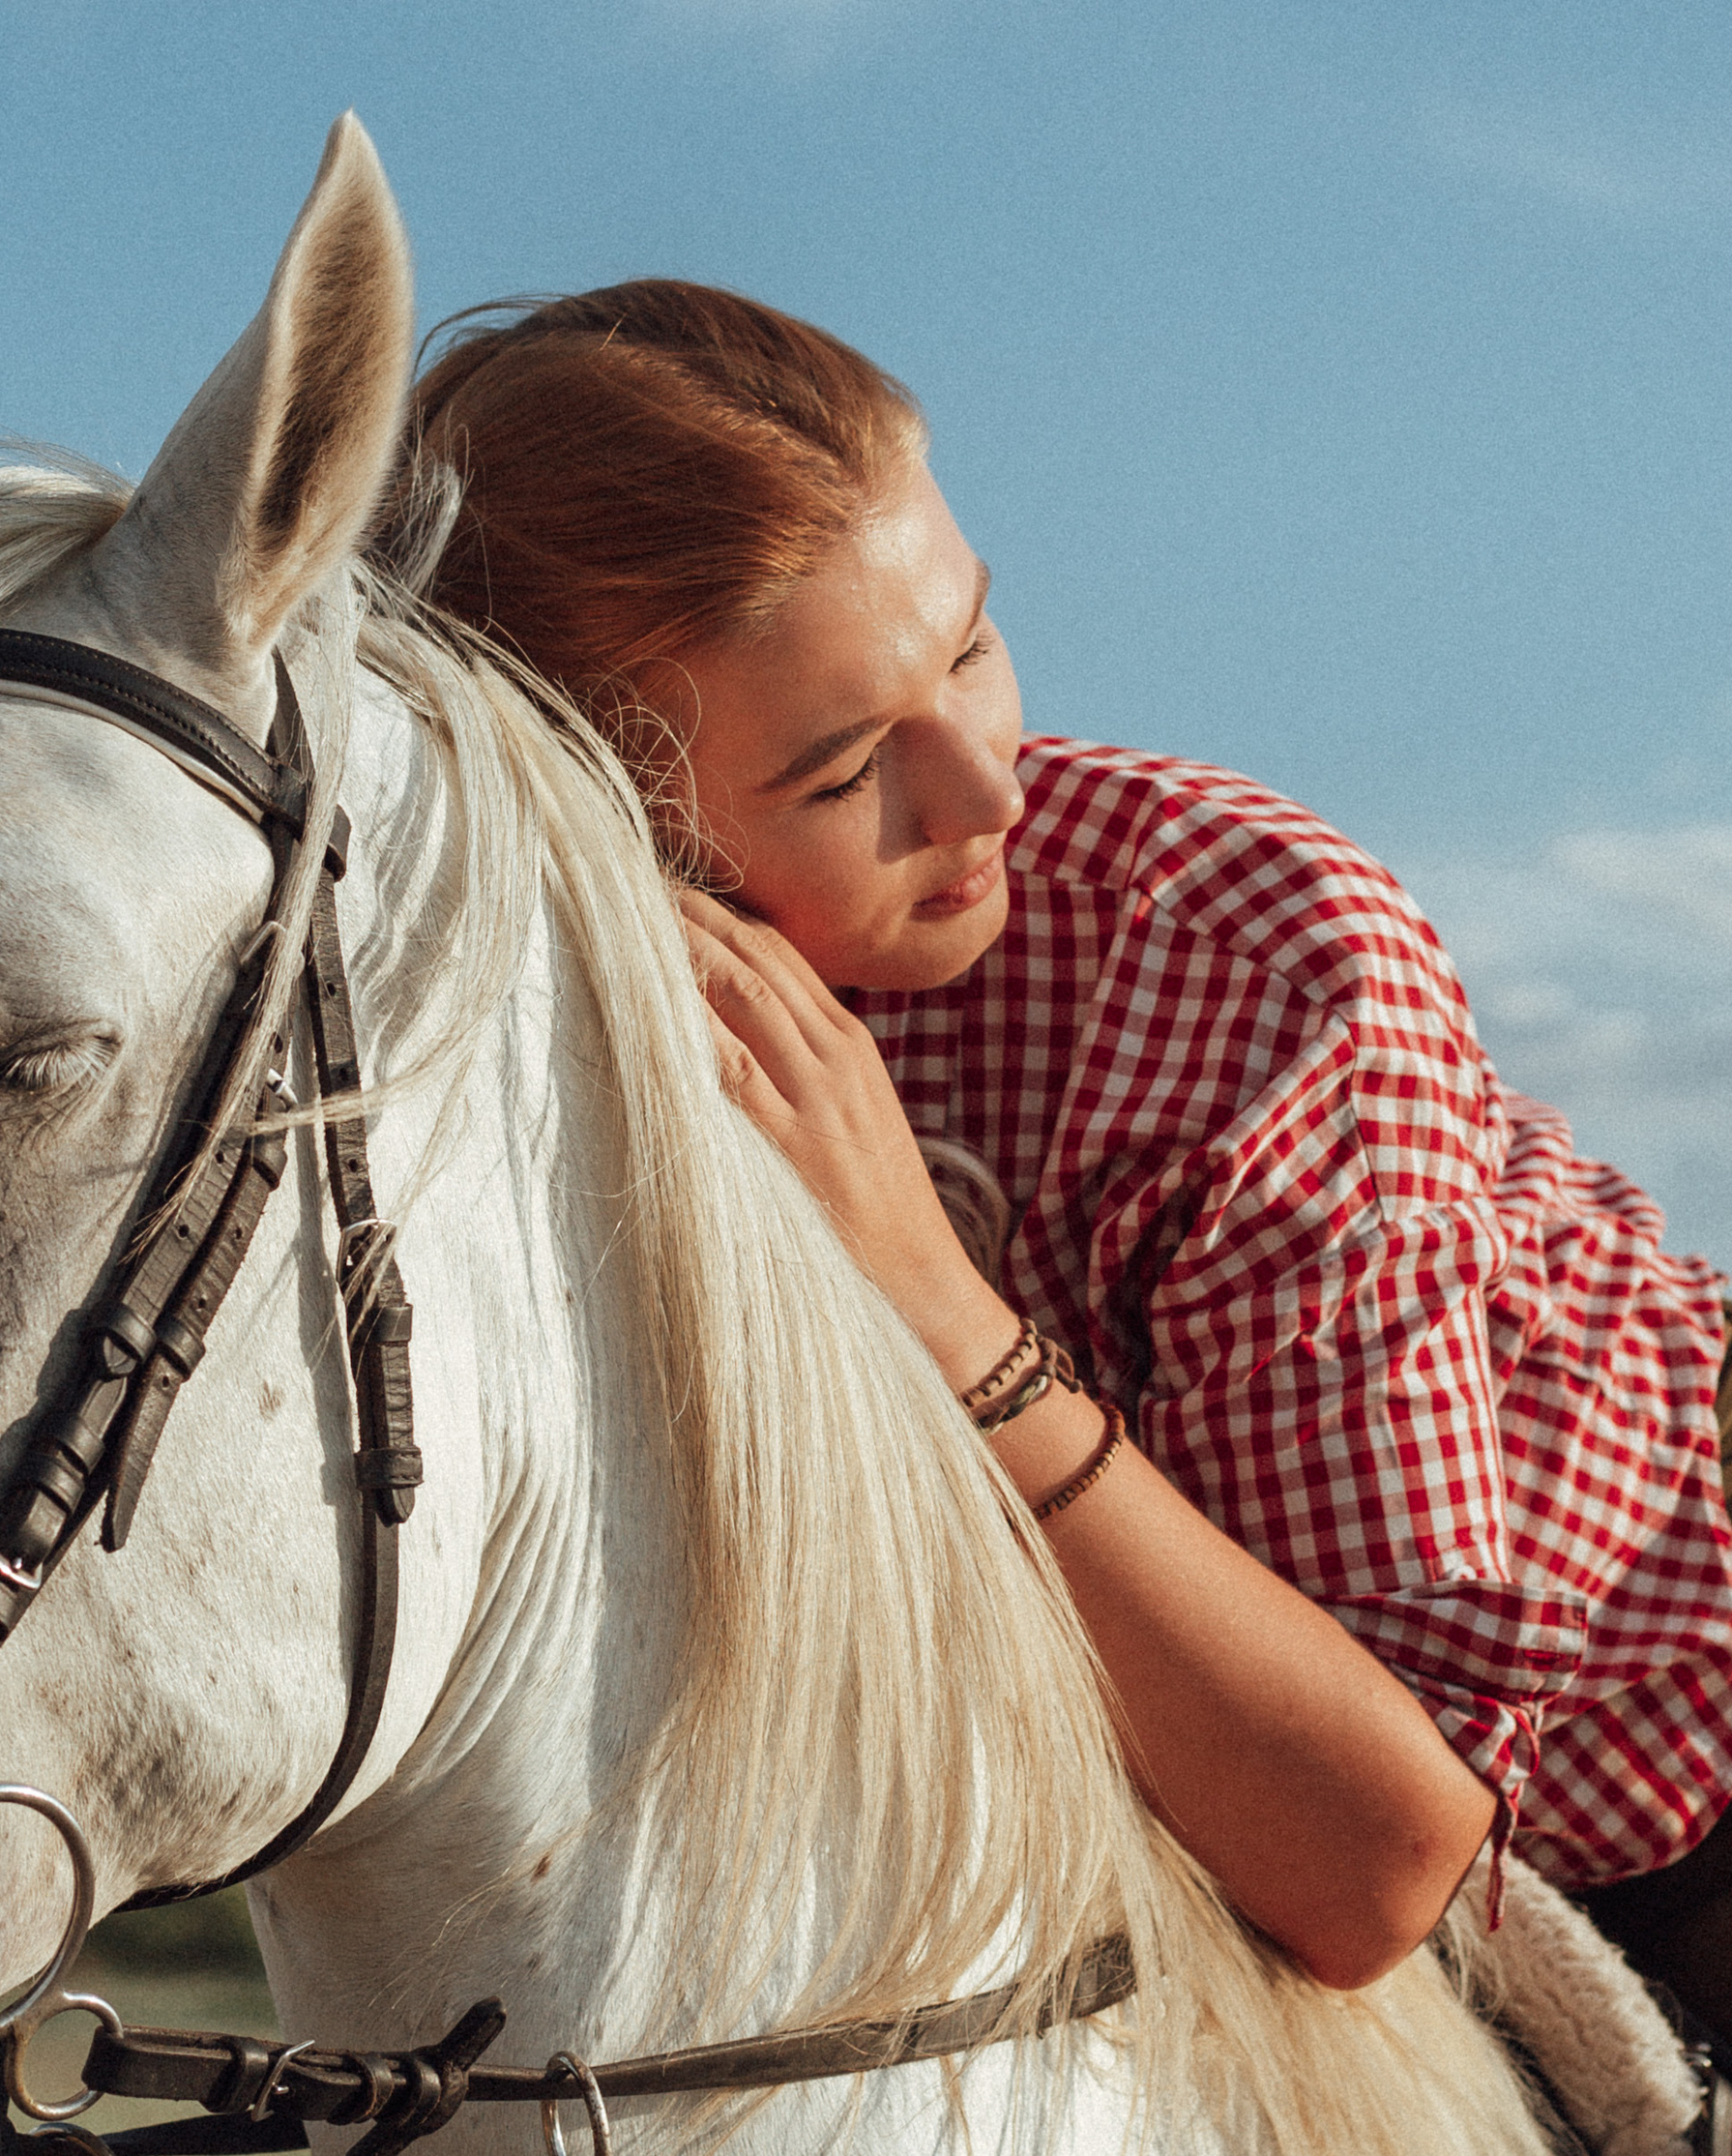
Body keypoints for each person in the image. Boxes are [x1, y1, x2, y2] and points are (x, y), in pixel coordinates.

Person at [397, 282, 1732, 2029]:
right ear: (611, 823)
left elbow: (1380, 1864)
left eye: (967, 648)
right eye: (847, 765)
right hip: (1132, 1880)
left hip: (1645, 1804)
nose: (984, 794)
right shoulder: (516, 1033)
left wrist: (934, 1308)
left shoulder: (1244, 955)